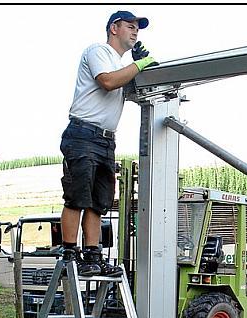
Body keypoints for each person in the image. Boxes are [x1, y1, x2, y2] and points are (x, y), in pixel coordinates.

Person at [59, 10, 158, 276]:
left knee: (98, 201)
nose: (135, 32)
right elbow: (107, 81)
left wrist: (145, 71)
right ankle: (69, 253)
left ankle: (92, 255)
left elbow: (135, 89)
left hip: (106, 140)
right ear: (114, 28)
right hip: (82, 134)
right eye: (130, 26)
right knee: (77, 196)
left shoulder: (125, 67)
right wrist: (141, 64)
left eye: (138, 28)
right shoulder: (98, 52)